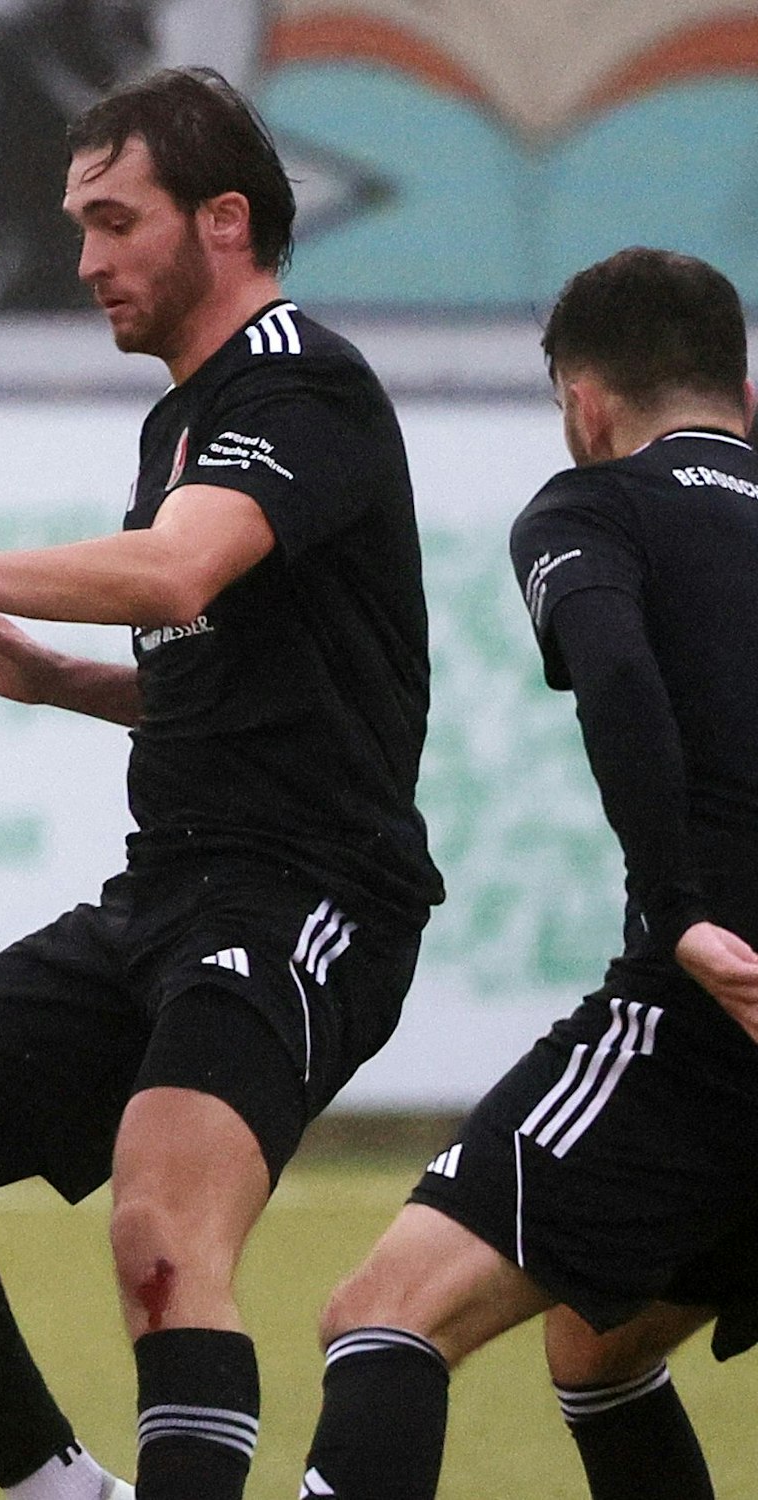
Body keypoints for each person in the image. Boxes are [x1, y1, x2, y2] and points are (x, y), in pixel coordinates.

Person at [0, 67, 441, 1500]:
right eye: (78, 225)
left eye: (114, 221)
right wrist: (55, 679)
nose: (83, 262)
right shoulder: (187, 418)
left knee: (160, 1232)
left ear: (225, 220)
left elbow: (176, 570)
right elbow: (240, 668)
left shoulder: (297, 377)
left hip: (311, 893)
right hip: (168, 898)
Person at [297, 248, 758, 1500]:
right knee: (594, 1345)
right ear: (744, 395)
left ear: (584, 408)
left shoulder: (589, 508)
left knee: (380, 1317)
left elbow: (618, 680)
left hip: (713, 1019)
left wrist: (682, 914)